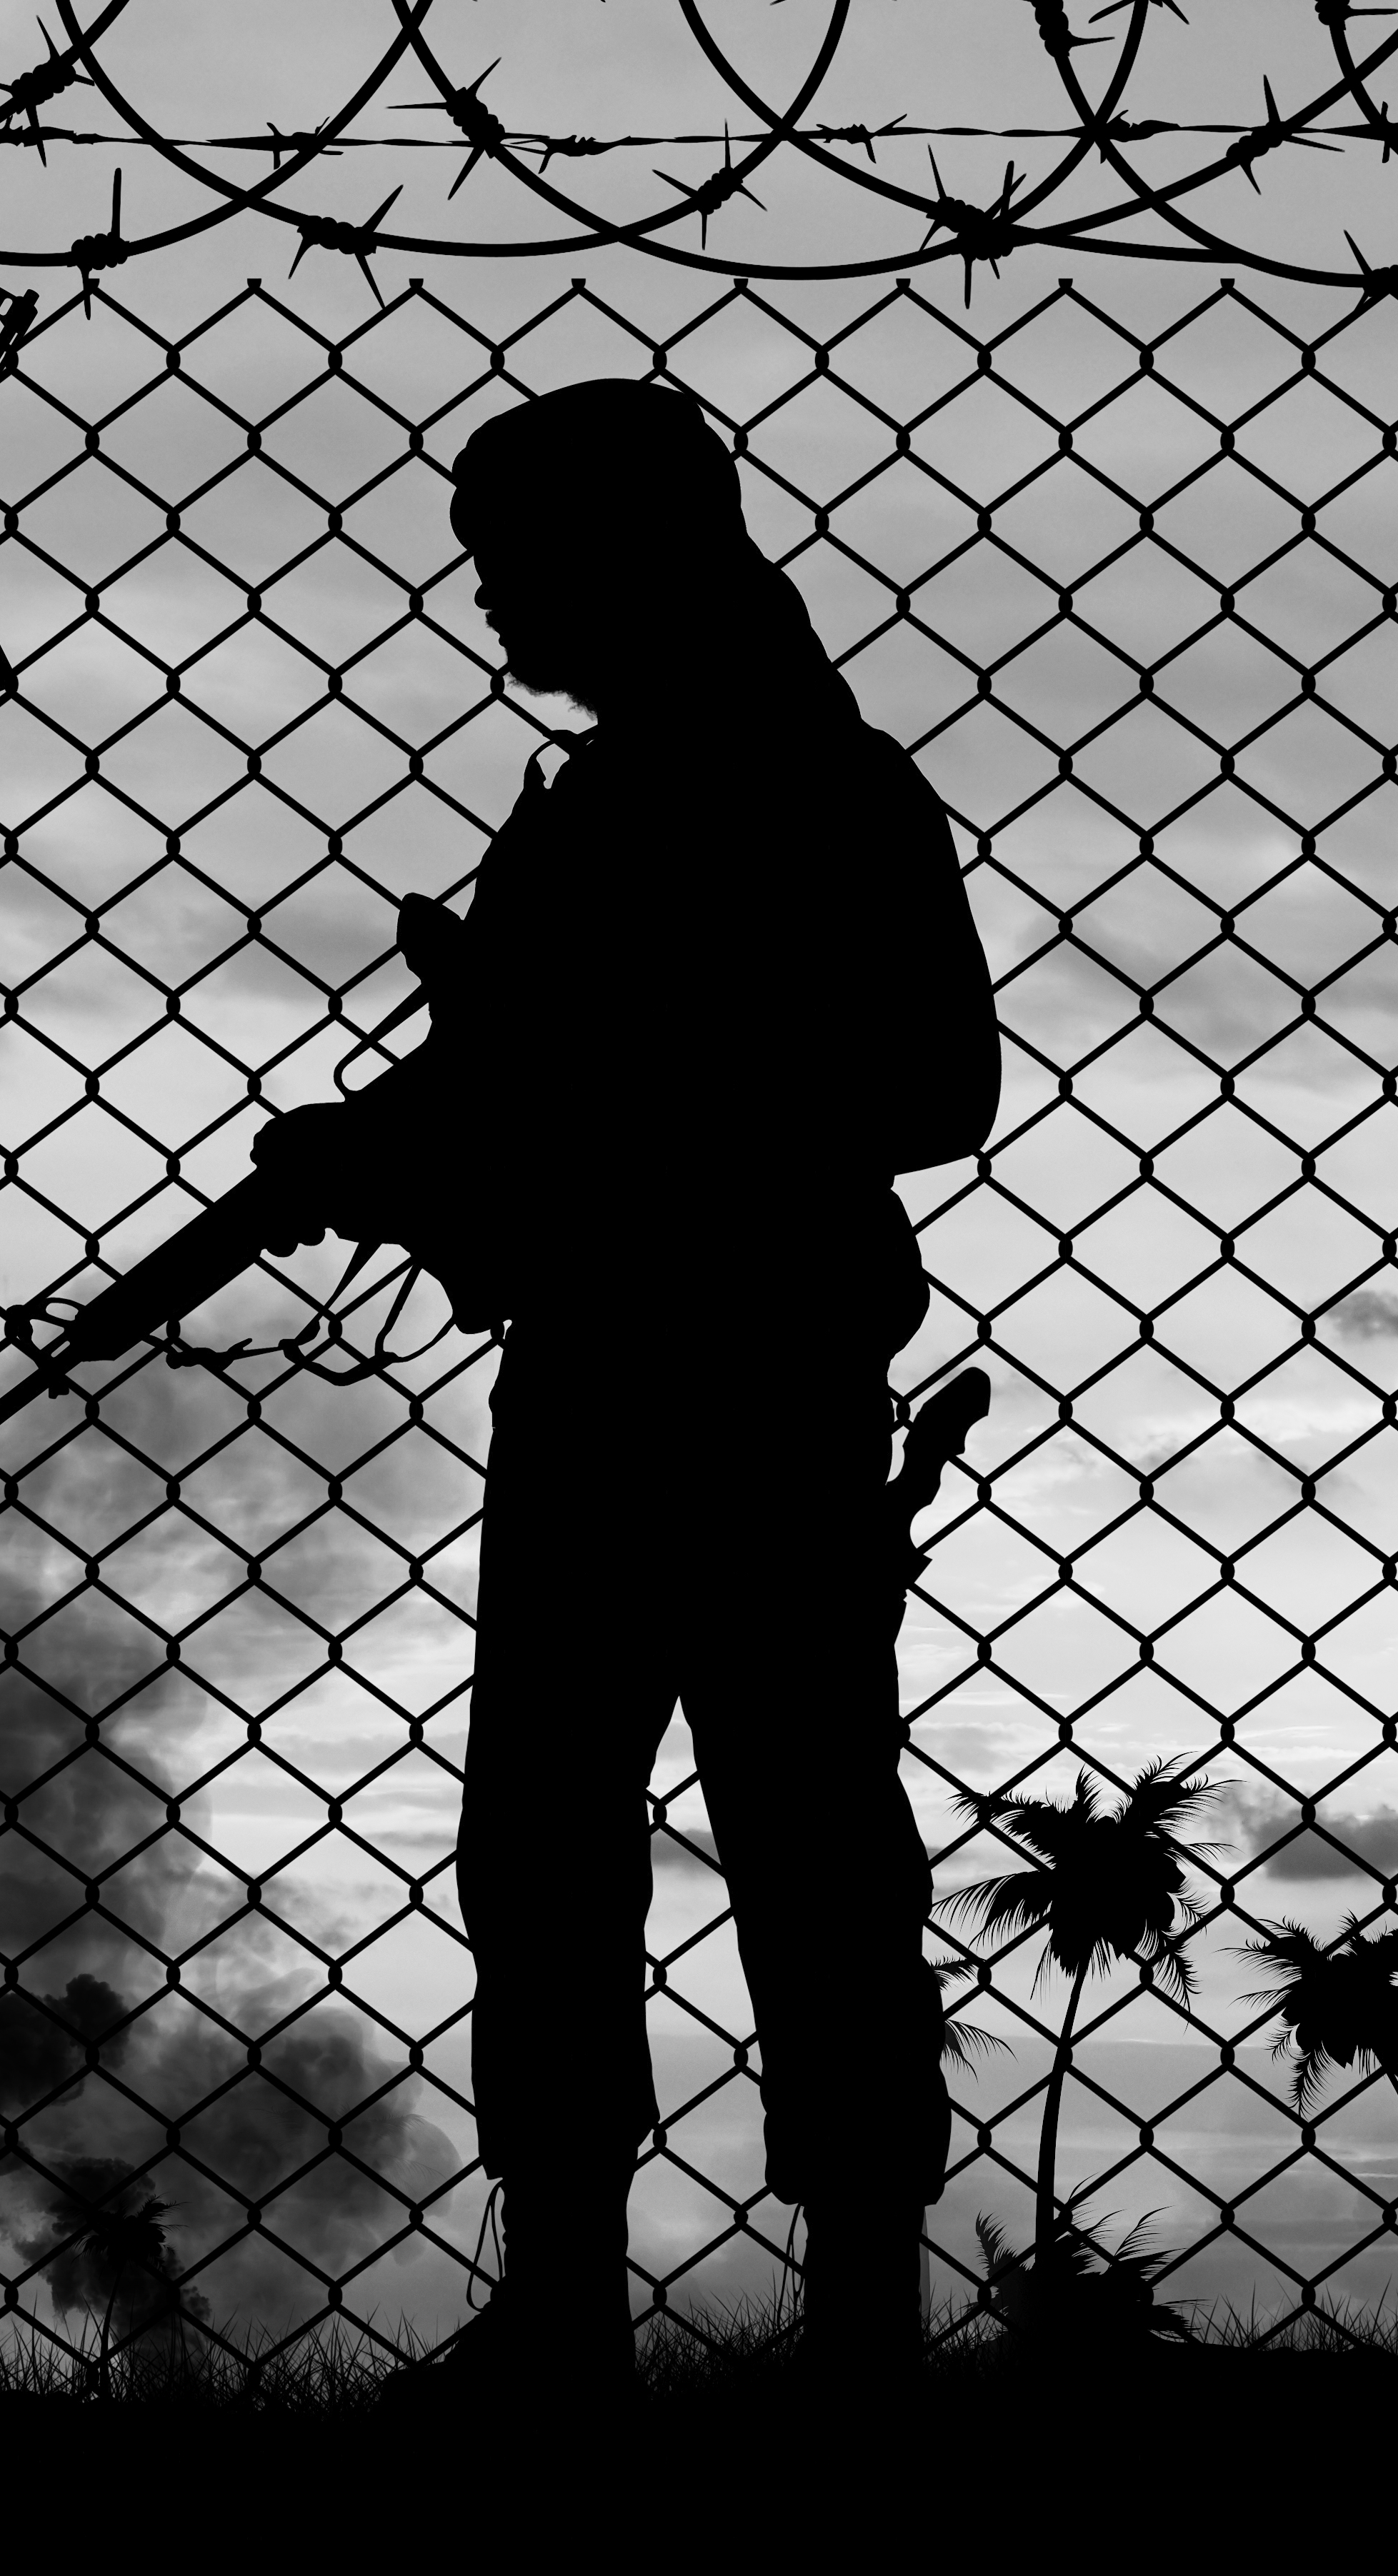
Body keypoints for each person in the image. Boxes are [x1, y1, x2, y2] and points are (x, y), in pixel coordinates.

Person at [249, 378, 999, 2395]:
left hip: (743, 1377)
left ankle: (847, 2316)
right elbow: (531, 1091)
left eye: (519, 561)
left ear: (632, 557)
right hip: (603, 1375)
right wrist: (395, 1144)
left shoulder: (819, 787)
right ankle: (579, 2304)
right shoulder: (624, 798)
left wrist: (593, 1087)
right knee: (553, 1849)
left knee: (805, 1840)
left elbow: (935, 1089)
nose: (490, 600)